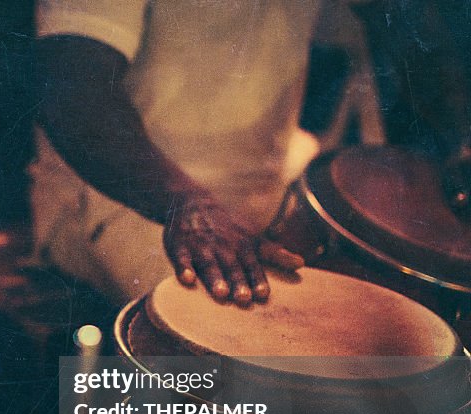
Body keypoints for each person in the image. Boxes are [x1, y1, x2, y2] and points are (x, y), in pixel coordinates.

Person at [31, 0, 470, 306]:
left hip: (269, 185)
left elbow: (404, 22)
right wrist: (187, 202)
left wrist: (463, 135)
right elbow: (70, 88)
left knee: (399, 315)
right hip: (124, 198)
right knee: (255, 355)